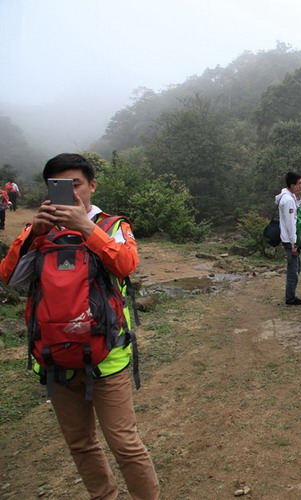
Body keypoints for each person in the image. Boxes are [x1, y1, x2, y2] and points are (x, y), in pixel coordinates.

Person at [0, 153, 159, 499]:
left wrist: (86, 228)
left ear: (92, 186)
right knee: (80, 444)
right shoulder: (39, 231)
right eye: (60, 186)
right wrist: (33, 234)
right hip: (54, 356)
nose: (71, 193)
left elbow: (126, 265)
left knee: (125, 444)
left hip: (107, 356)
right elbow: (10, 278)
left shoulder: (112, 226)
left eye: (76, 185)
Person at [275, 171, 301, 305]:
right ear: (292, 185)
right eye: (299, 183)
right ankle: (290, 298)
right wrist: (294, 244)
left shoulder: (289, 197)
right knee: (293, 269)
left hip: (290, 239)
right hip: (290, 240)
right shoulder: (287, 200)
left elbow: (297, 212)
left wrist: (298, 198)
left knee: (296, 266)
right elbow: (291, 223)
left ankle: (291, 295)